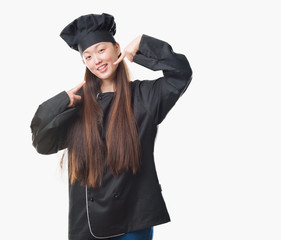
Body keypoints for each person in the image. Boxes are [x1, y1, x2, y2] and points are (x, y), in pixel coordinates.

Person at [30, 13, 192, 240]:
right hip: (87, 226)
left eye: (101, 50)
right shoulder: (78, 106)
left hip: (132, 222)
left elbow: (181, 74)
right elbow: (41, 142)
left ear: (117, 48)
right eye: (87, 56)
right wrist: (60, 102)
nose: (96, 60)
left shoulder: (145, 97)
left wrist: (143, 44)